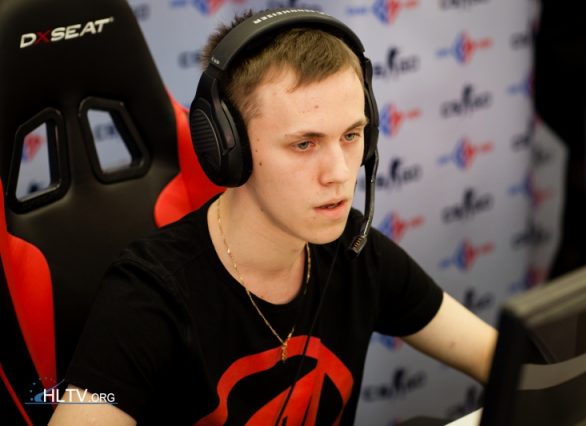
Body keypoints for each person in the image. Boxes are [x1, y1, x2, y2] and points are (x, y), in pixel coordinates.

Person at [50, 8, 497, 426]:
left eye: (351, 135)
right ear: (229, 150)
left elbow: (503, 358)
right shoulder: (148, 297)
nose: (340, 174)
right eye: (304, 144)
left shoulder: (355, 252)